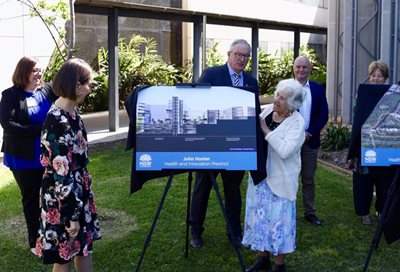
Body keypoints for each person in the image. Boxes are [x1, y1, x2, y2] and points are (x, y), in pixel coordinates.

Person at [189, 39, 259, 248]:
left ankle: (234, 233)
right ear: (229, 54)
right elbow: (196, 105)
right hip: (211, 145)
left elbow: (252, 113)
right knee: (203, 189)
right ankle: (196, 231)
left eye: (246, 56)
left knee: (233, 191)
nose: (242, 59)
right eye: (238, 54)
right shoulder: (212, 74)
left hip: (237, 147)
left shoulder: (251, 81)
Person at [35, 58, 101, 272]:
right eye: (88, 84)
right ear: (76, 85)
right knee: (63, 256)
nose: (90, 89)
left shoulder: (73, 115)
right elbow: (61, 174)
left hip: (77, 191)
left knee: (83, 249)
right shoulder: (57, 121)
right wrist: (71, 216)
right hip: (63, 198)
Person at [242, 78, 305, 272]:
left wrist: (266, 130)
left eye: (283, 98)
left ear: (292, 104)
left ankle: (279, 265)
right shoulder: (268, 110)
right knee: (260, 220)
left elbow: (286, 150)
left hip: (281, 180)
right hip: (261, 177)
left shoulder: (297, 122)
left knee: (279, 224)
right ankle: (262, 258)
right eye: (278, 94)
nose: (277, 100)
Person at [0, 56, 57, 254]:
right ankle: (35, 241)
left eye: (40, 70)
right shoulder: (10, 95)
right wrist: (39, 130)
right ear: (23, 72)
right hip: (22, 157)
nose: (39, 73)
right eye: (34, 70)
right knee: (31, 198)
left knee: (50, 196)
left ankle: (51, 233)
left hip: (47, 155)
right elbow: (8, 124)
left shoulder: (47, 91)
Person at [349, 60, 390, 225]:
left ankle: (381, 210)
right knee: (363, 181)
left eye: (379, 76)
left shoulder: (392, 94)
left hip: (385, 144)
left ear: (385, 78)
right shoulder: (362, 93)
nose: (376, 79)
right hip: (364, 143)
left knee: (384, 181)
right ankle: (363, 212)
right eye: (373, 75)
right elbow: (355, 111)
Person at [294, 55, 329, 226]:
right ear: (294, 68)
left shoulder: (317, 88)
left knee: (308, 179)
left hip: (309, 141)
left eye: (304, 67)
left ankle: (309, 212)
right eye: (298, 67)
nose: (301, 70)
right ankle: (288, 211)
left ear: (310, 69)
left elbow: (323, 114)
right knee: (289, 178)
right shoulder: (286, 87)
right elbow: (278, 112)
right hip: (290, 143)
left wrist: (310, 132)